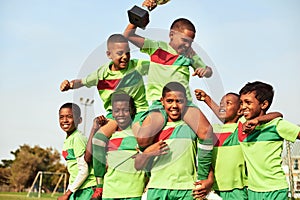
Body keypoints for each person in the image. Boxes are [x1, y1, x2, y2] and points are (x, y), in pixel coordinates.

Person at [124, 16, 213, 154]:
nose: (188, 45)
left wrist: (204, 70)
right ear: (171, 34)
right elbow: (128, 35)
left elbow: (209, 71)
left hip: (185, 103)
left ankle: (203, 174)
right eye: (184, 40)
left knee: (206, 132)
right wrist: (141, 13)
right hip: (160, 104)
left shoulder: (190, 55)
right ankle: (146, 162)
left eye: (191, 42)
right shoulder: (155, 47)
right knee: (143, 139)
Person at [193, 89, 284, 200]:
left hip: (238, 190)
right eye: (221, 104)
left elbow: (278, 115)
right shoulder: (212, 130)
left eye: (228, 103)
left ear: (240, 111)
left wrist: (258, 120)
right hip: (214, 190)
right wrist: (206, 98)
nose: (222, 107)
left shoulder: (242, 127)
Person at [134, 82, 214, 200]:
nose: (174, 106)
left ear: (186, 102)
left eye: (179, 101)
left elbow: (205, 155)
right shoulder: (154, 130)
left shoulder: (191, 127)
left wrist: (208, 178)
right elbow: (138, 165)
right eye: (170, 101)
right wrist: (149, 153)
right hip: (157, 189)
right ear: (162, 101)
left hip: (187, 189)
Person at [60, 33, 150, 137]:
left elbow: (160, 66)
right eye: (120, 53)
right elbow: (82, 82)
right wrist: (69, 85)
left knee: (142, 137)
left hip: (139, 112)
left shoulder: (137, 66)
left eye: (128, 53)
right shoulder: (101, 74)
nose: (125, 57)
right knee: (99, 139)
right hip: (115, 115)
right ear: (109, 54)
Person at [85, 92, 167, 200]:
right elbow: (91, 157)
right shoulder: (109, 136)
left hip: (134, 193)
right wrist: (100, 186)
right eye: (117, 111)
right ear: (112, 114)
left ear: (132, 111)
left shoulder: (139, 134)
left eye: (125, 110)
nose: (121, 114)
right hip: (110, 193)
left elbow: (148, 159)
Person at [238, 81, 300, 200]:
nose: (243, 106)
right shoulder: (241, 123)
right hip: (252, 190)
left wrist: (258, 120)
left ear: (264, 104)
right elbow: (277, 113)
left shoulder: (276, 125)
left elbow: (278, 115)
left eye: (248, 102)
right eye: (241, 103)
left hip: (275, 189)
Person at [58, 103, 96, 200]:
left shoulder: (78, 138)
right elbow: (74, 171)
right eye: (61, 117)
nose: (65, 120)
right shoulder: (69, 139)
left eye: (69, 117)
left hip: (87, 188)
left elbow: (84, 170)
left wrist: (68, 193)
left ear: (79, 120)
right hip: (77, 188)